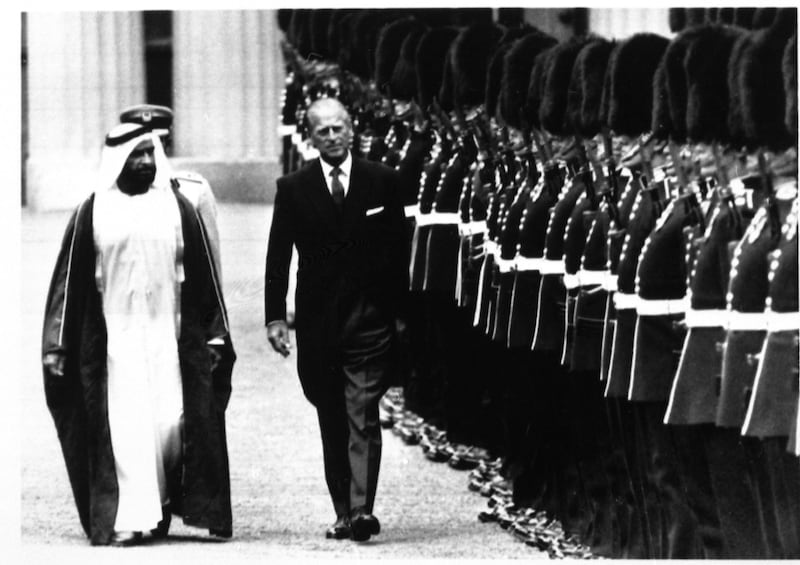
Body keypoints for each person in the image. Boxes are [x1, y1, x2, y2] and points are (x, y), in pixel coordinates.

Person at [41, 122, 235, 547]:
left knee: (169, 423)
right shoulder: (92, 211)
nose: (146, 162)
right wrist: (57, 344)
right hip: (114, 344)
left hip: (170, 335)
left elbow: (205, 279)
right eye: (136, 155)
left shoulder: (177, 207)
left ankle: (161, 504)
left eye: (150, 153)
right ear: (117, 161)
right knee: (127, 427)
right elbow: (67, 283)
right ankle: (131, 516)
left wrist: (217, 333)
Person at [265, 97, 408, 542]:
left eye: (338, 128)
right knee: (331, 414)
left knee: (362, 411)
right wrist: (275, 317)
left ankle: (363, 510)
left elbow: (399, 251)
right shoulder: (293, 187)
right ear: (310, 136)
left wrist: (399, 315)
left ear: (352, 129)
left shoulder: (382, 181)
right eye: (322, 130)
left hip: (369, 318)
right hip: (319, 321)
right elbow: (278, 258)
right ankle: (343, 510)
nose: (331, 136)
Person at [119, 104, 223, 285]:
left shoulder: (193, 191)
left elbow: (210, 264)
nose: (148, 156)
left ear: (167, 144)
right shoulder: (110, 196)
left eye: (155, 146)